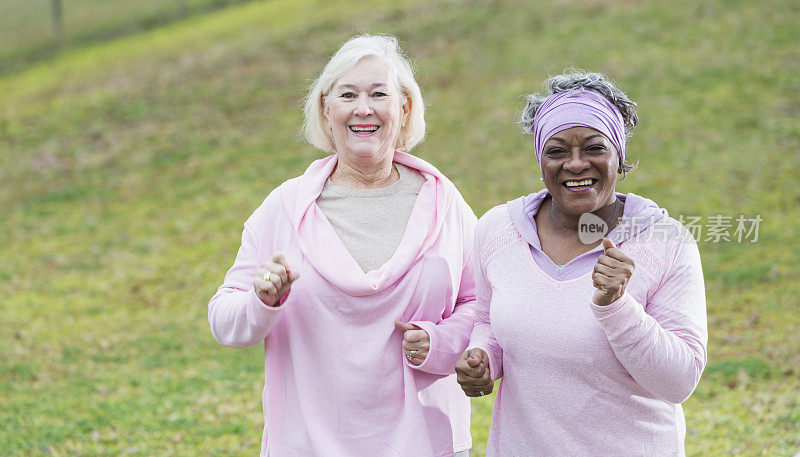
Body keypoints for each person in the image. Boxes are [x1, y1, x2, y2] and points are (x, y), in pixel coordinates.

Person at [208, 34, 476, 457]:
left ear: (404, 108)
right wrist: (262, 300)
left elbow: (482, 304)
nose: (363, 108)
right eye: (347, 94)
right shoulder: (284, 208)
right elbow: (224, 322)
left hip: (424, 442)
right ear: (326, 110)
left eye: (379, 94)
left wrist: (441, 343)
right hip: (308, 444)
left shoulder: (445, 203)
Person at [455, 70, 708, 456]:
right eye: (557, 151)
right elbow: (488, 321)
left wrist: (617, 306)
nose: (575, 164)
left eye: (594, 148)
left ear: (618, 156)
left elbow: (679, 381)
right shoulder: (497, 230)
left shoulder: (665, 242)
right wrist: (484, 359)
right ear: (541, 160)